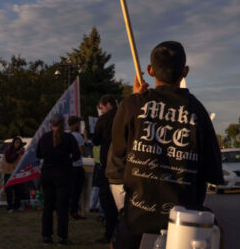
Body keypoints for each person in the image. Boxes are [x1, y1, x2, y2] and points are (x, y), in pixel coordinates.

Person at [106, 41, 224, 249]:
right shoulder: (198, 111)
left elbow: (115, 166)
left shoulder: (131, 105)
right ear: (185, 71)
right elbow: (212, 172)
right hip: (185, 225)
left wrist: (137, 101)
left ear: (150, 70)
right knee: (219, 236)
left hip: (136, 222)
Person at [37, 113, 80, 245]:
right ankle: (62, 237)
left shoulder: (44, 138)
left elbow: (38, 154)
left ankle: (47, 236)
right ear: (63, 123)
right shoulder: (69, 138)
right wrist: (67, 161)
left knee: (48, 207)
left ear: (51, 124)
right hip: (63, 175)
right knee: (62, 208)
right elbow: (77, 156)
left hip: (47, 175)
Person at [92, 94, 119, 244]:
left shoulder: (104, 119)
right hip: (123, 163)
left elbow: (95, 140)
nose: (101, 111)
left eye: (101, 108)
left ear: (107, 104)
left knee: (107, 199)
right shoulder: (124, 115)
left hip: (107, 163)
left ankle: (110, 232)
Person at [65, 116, 86, 220]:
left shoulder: (64, 135)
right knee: (76, 191)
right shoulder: (78, 136)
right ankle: (73, 212)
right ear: (75, 124)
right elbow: (83, 151)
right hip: (77, 166)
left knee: (69, 191)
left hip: (68, 167)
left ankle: (69, 211)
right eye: (78, 123)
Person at [1, 136, 25, 212]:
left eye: (19, 143)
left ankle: (17, 205)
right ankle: (10, 206)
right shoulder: (9, 150)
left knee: (18, 190)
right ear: (13, 143)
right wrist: (17, 153)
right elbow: (9, 159)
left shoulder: (21, 151)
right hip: (9, 172)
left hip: (18, 173)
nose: (18, 144)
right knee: (9, 191)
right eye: (16, 142)